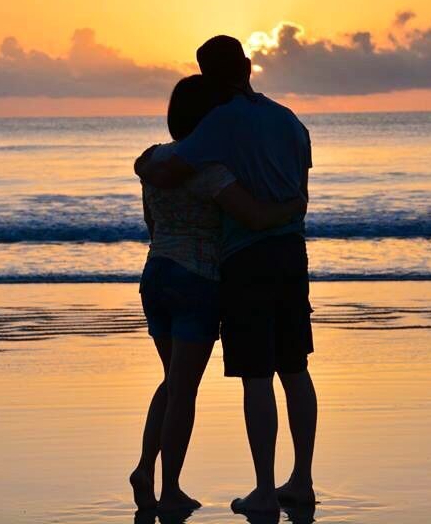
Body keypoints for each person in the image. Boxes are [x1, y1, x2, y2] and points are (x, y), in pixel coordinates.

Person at [135, 36, 317, 515]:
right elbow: (295, 187)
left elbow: (168, 169)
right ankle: (300, 479)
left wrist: (143, 163)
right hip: (288, 253)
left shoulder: (215, 126)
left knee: (248, 376)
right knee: (295, 368)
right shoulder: (290, 120)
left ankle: (259, 486)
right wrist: (291, 210)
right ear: (250, 66)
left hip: (228, 261)